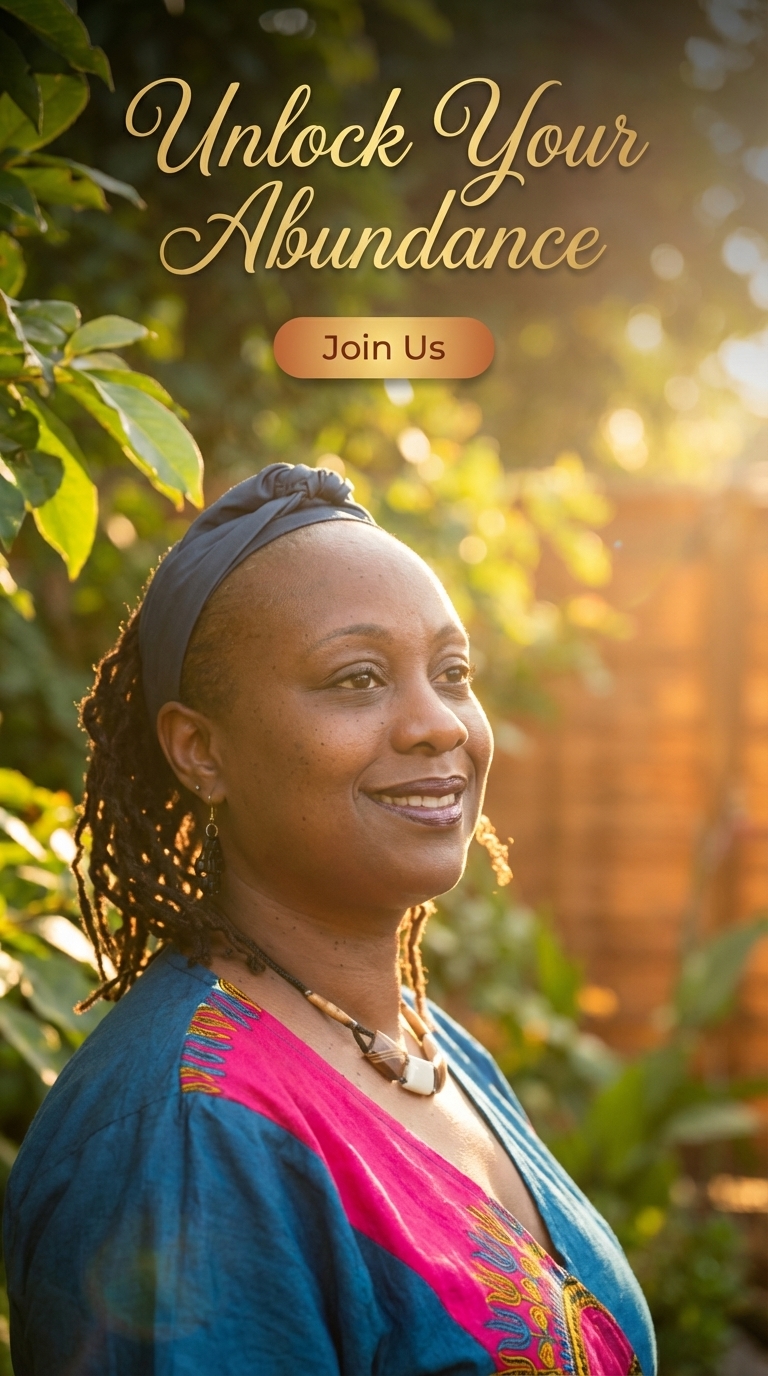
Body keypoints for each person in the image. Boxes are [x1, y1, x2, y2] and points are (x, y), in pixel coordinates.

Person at [4, 464, 655, 1376]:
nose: (439, 725)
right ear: (201, 750)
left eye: (453, 673)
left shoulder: (435, 1049)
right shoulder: (191, 1139)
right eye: (358, 678)